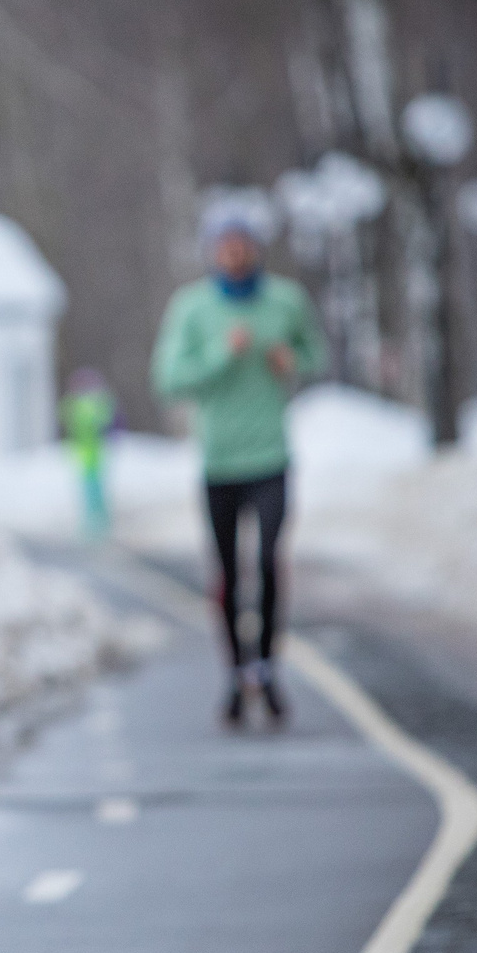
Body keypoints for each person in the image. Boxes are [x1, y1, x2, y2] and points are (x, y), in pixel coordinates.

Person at [149, 206, 325, 726]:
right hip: (219, 461)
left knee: (269, 563)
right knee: (227, 572)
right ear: (211, 252)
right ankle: (233, 673)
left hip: (270, 456)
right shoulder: (193, 308)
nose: (234, 252)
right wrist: (224, 355)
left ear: (255, 249)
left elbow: (315, 352)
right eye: (224, 244)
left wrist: (292, 360)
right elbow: (170, 379)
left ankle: (266, 668)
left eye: (242, 243)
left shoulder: (285, 301)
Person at [60, 366, 117, 540]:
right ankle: (97, 525)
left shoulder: (86, 404)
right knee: (92, 492)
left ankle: (97, 526)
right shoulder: (91, 403)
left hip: (91, 454)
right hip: (90, 454)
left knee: (93, 492)